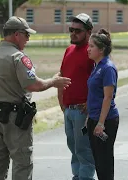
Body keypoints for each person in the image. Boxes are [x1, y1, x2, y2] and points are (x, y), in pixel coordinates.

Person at [0, 16, 71, 180]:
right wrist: (53, 81)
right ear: (16, 35)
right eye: (26, 35)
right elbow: (33, 85)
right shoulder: (18, 57)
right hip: (15, 118)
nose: (28, 39)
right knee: (22, 162)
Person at [57, 13, 96, 180]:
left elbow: (99, 81)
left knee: (84, 150)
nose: (73, 33)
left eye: (77, 31)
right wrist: (62, 102)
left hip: (83, 110)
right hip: (68, 109)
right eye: (71, 30)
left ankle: (85, 177)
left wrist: (90, 103)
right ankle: (77, 176)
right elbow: (62, 75)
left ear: (89, 32)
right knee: (73, 148)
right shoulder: (69, 50)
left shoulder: (92, 52)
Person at [86, 28, 119, 180]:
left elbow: (107, 97)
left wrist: (100, 123)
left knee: (104, 161)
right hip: (94, 118)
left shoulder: (108, 68)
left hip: (106, 120)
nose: (88, 49)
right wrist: (90, 118)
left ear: (101, 49)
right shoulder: (97, 67)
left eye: (92, 46)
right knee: (98, 161)